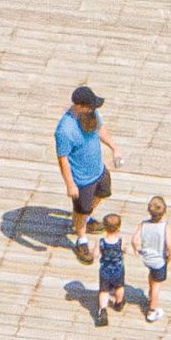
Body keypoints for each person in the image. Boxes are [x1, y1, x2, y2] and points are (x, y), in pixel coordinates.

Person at [54, 85, 120, 264]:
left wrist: (114, 147)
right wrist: (70, 184)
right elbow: (63, 159)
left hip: (98, 169)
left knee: (103, 193)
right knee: (81, 209)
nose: (94, 109)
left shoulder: (91, 114)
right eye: (91, 106)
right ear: (80, 105)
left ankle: (85, 218)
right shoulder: (65, 130)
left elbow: (100, 130)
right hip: (82, 179)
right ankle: (81, 238)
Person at [136, 196, 171, 323]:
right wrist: (170, 255)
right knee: (157, 284)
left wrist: (137, 249)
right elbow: (169, 244)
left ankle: (151, 297)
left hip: (147, 258)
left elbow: (135, 239)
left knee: (152, 276)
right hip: (159, 260)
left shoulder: (143, 224)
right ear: (164, 211)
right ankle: (152, 310)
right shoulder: (164, 226)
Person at [94, 213, 127, 324]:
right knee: (119, 287)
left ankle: (103, 310)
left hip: (105, 270)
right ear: (119, 227)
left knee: (104, 291)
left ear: (104, 227)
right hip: (118, 269)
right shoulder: (121, 241)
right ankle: (118, 303)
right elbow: (124, 250)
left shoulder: (101, 242)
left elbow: (95, 255)